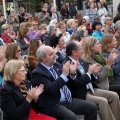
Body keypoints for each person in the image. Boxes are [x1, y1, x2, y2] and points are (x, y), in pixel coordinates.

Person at [31, 45, 98, 120]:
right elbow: (51, 89)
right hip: (54, 103)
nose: (54, 55)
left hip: (68, 100)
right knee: (71, 117)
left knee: (92, 107)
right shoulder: (38, 73)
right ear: (43, 58)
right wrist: (64, 75)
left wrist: (72, 73)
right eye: (51, 54)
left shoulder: (56, 65)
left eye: (54, 53)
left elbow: (71, 82)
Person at [63, 40, 120, 120]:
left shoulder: (81, 61)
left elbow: (91, 77)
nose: (83, 49)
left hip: (91, 89)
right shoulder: (67, 64)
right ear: (74, 52)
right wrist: (89, 73)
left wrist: (94, 73)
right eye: (80, 48)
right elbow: (75, 84)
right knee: (102, 101)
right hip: (81, 93)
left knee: (114, 95)